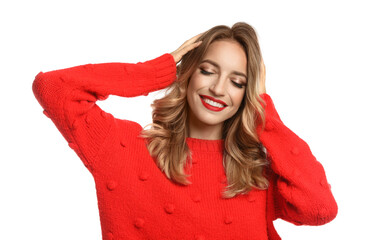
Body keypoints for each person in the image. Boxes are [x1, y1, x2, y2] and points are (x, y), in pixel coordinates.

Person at [32, 22, 338, 240]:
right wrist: (155, 71)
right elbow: (54, 88)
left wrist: (263, 112)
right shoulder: (121, 148)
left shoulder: (254, 174)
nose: (218, 89)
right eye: (208, 70)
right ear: (187, 74)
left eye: (237, 82)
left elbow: (320, 209)